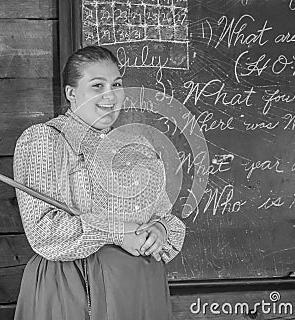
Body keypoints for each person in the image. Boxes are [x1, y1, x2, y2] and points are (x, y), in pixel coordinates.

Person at [13, 45, 186, 320]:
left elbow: (165, 216)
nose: (110, 94)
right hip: (77, 286)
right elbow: (42, 230)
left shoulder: (137, 145)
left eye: (116, 84)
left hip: (142, 287)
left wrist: (161, 230)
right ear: (71, 93)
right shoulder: (45, 140)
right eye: (97, 85)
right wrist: (117, 232)